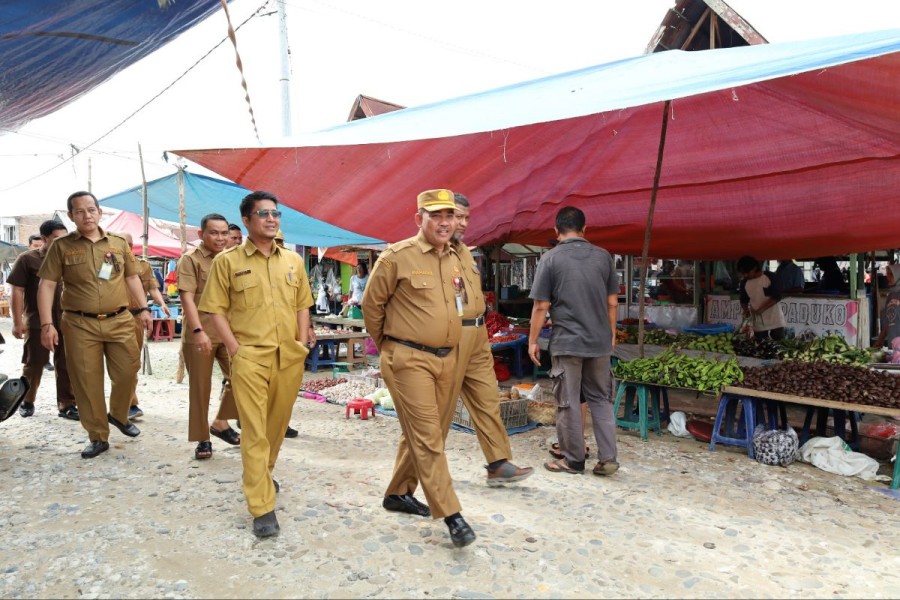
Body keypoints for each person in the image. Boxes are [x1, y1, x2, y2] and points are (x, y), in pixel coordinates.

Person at [362, 188, 476, 548]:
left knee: (431, 432)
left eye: (449, 216)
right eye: (435, 216)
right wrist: (391, 348)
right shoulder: (397, 257)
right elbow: (371, 307)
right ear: (419, 219)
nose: (444, 223)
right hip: (408, 358)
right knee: (428, 436)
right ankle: (452, 515)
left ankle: (397, 493)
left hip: (447, 357)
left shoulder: (455, 257)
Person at [199, 191, 312, 538]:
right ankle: (262, 506)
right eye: (263, 214)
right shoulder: (227, 261)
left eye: (275, 213)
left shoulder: (293, 261)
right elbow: (214, 309)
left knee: (277, 427)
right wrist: (234, 348)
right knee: (255, 430)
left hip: (288, 358)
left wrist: (302, 340)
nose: (271, 219)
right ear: (247, 221)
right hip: (250, 357)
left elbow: (302, 303)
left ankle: (263, 473)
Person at [37, 191, 153, 459]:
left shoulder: (117, 243)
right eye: (79, 211)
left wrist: (144, 308)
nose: (86, 215)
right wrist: (46, 325)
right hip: (79, 324)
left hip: (120, 319)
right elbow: (47, 285)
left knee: (128, 372)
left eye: (91, 210)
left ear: (100, 212)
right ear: (71, 216)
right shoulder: (62, 246)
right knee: (87, 382)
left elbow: (132, 277)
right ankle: (98, 436)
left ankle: (119, 414)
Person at [527, 206, 619, 477]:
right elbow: (612, 302)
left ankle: (574, 461)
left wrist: (533, 340)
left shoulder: (551, 259)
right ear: (584, 229)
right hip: (600, 342)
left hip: (568, 343)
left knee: (567, 402)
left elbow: (541, 305)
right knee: (600, 400)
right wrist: (611, 332)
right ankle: (608, 457)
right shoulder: (604, 257)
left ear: (556, 231)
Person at [449, 193, 533, 485]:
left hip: (477, 337)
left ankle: (498, 463)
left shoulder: (463, 252)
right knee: (432, 415)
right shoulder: (421, 254)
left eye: (465, 217)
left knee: (487, 401)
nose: (461, 223)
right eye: (456, 216)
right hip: (448, 340)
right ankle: (405, 481)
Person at [177, 213, 240, 460]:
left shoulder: (235, 259)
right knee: (200, 388)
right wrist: (197, 331)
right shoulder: (190, 260)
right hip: (200, 331)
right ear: (201, 234)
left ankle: (221, 422)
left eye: (224, 233)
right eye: (214, 232)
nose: (220, 238)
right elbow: (187, 298)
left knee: (242, 377)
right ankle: (203, 438)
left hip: (229, 332)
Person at [8, 220, 78, 420]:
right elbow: (17, 291)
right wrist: (17, 322)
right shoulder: (27, 259)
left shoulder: (71, 259)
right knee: (34, 363)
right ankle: (27, 400)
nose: (63, 242)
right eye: (58, 238)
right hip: (37, 320)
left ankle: (67, 404)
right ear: (45, 239)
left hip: (67, 320)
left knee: (66, 363)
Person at [119, 232, 170, 421]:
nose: (126, 247)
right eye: (122, 243)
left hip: (135, 319)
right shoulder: (107, 266)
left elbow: (152, 287)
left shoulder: (143, 265)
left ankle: (129, 403)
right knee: (116, 363)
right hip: (110, 318)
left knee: (131, 362)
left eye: (129, 244)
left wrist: (161, 303)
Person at [736, 255, 786, 341]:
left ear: (755, 268)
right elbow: (743, 300)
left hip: (775, 318)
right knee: (760, 344)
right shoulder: (744, 282)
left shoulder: (770, 277)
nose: (745, 275)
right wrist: (745, 310)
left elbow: (777, 296)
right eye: (743, 273)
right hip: (758, 320)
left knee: (779, 342)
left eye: (747, 272)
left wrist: (762, 309)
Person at [874, 264, 900, 349]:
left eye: (891, 275)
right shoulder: (891, 295)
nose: (887, 277)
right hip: (892, 345)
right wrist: (879, 341)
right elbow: (887, 322)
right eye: (887, 274)